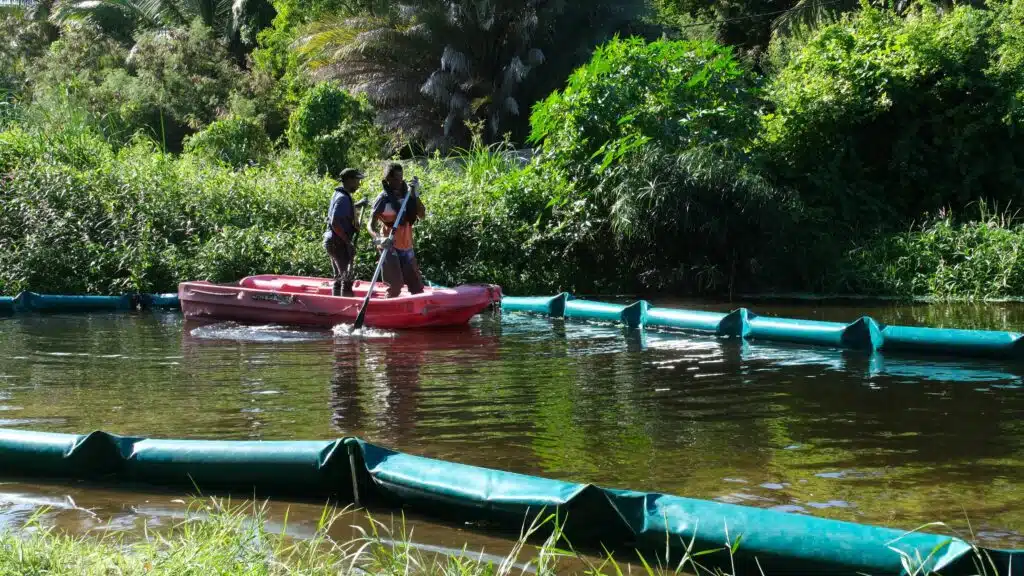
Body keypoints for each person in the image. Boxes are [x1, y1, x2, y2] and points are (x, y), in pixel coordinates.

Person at [368, 163, 426, 298]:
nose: (399, 182)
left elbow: (422, 215)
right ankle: (388, 308)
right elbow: (370, 225)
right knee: (395, 286)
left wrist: (416, 195)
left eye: (401, 178)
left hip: (407, 246)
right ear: (387, 179)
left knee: (416, 286)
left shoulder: (409, 196)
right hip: (389, 246)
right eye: (395, 179)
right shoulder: (382, 199)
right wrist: (378, 239)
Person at [323, 167, 364, 297]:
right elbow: (335, 222)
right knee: (346, 279)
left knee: (339, 278)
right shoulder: (343, 198)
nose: (359, 184)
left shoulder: (340, 195)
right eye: (357, 181)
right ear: (350, 180)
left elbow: (345, 211)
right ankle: (346, 308)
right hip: (337, 243)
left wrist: (358, 205)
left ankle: (336, 304)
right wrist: (347, 242)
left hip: (333, 241)